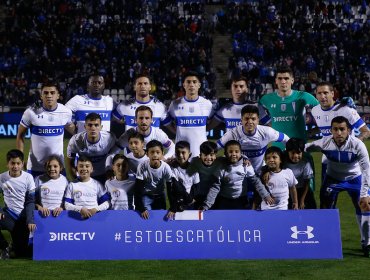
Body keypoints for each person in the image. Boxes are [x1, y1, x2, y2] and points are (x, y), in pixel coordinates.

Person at [305, 116, 370, 256]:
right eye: (335, 129)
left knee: (365, 206)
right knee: (325, 209)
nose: (339, 133)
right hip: (333, 179)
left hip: (355, 179)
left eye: (342, 129)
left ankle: (367, 243)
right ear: (331, 130)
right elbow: (302, 148)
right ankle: (328, 242)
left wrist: (365, 194)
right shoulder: (323, 143)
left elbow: (367, 170)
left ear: (349, 130)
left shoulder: (358, 145)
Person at [310, 81, 370, 181]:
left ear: (332, 94)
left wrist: (355, 144)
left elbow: (366, 131)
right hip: (328, 160)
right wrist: (305, 133)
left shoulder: (346, 110)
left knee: (359, 195)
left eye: (325, 93)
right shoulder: (315, 110)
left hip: (350, 161)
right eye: (319, 93)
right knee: (326, 195)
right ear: (316, 95)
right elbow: (322, 128)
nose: (322, 96)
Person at [16, 81, 75, 177]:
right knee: (33, 192)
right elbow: (20, 135)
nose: (49, 95)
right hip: (35, 167)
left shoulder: (66, 112)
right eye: (46, 93)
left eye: (52, 93)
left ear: (58, 95)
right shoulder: (30, 112)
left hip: (58, 167)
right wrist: (20, 159)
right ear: (41, 96)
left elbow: (74, 131)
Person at [217, 105, 289, 175]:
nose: (250, 122)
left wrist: (285, 156)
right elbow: (215, 148)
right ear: (241, 120)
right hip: (238, 175)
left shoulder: (267, 132)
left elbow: (286, 139)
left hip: (259, 174)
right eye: (247, 119)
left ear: (258, 120)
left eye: (253, 119)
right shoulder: (232, 134)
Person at [259, 65, 319, 149]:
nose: (283, 81)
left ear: (292, 80)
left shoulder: (305, 97)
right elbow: (258, 112)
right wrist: (269, 124)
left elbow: (325, 113)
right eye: (280, 78)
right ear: (276, 81)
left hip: (299, 150)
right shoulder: (266, 99)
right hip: (278, 151)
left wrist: (310, 132)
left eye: (286, 78)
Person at [201, 140, 268, 210]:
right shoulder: (221, 167)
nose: (233, 154)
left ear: (240, 153)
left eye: (236, 152)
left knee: (242, 219)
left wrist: (266, 195)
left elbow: (256, 181)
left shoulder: (246, 165)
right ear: (225, 154)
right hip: (224, 200)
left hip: (241, 200)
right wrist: (207, 205)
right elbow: (215, 187)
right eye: (230, 152)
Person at [165, 71, 214, 157]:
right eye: (188, 82)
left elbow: (213, 120)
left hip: (201, 154)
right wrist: (176, 132)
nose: (191, 85)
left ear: (199, 85)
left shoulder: (207, 104)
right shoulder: (175, 104)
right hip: (181, 154)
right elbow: (167, 121)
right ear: (184, 85)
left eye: (194, 82)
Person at [0, 149, 36, 259]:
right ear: (8, 164)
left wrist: (30, 220)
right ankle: (4, 247)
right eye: (12, 163)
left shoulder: (28, 178)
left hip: (23, 218)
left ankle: (14, 245)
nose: (15, 166)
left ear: (22, 164)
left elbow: (30, 201)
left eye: (18, 163)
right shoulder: (1, 178)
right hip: (8, 216)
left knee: (22, 253)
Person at [66, 113, 117, 184]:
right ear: (85, 127)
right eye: (90, 125)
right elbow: (70, 161)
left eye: (96, 125)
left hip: (104, 175)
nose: (93, 128)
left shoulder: (109, 138)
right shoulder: (76, 140)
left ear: (101, 127)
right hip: (84, 176)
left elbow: (115, 157)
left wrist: (111, 171)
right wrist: (75, 178)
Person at [134, 140, 175, 219]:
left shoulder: (166, 168)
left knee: (159, 218)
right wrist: (141, 208)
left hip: (160, 195)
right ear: (147, 154)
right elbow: (137, 189)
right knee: (146, 218)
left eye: (157, 152)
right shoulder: (142, 166)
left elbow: (170, 190)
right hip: (146, 195)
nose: (155, 155)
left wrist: (172, 207)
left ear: (162, 153)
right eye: (152, 152)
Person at [167, 141, 200, 218]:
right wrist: (174, 207)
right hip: (177, 203)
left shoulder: (194, 169)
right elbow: (176, 188)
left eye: (183, 152)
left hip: (191, 202)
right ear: (175, 154)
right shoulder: (172, 169)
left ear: (190, 154)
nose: (180, 155)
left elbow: (196, 187)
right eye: (178, 153)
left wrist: (191, 199)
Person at [284, 138, 316, 209]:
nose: (295, 156)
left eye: (298, 153)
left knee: (310, 209)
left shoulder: (305, 163)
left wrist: (302, 200)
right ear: (287, 152)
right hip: (287, 191)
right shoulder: (283, 163)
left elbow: (307, 183)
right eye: (292, 153)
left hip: (302, 190)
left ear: (302, 152)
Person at [189, 141, 223, 209]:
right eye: (205, 155)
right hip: (197, 196)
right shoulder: (194, 162)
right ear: (200, 155)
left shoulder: (218, 166)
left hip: (214, 197)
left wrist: (244, 158)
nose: (208, 158)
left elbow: (215, 187)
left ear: (215, 155)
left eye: (211, 155)